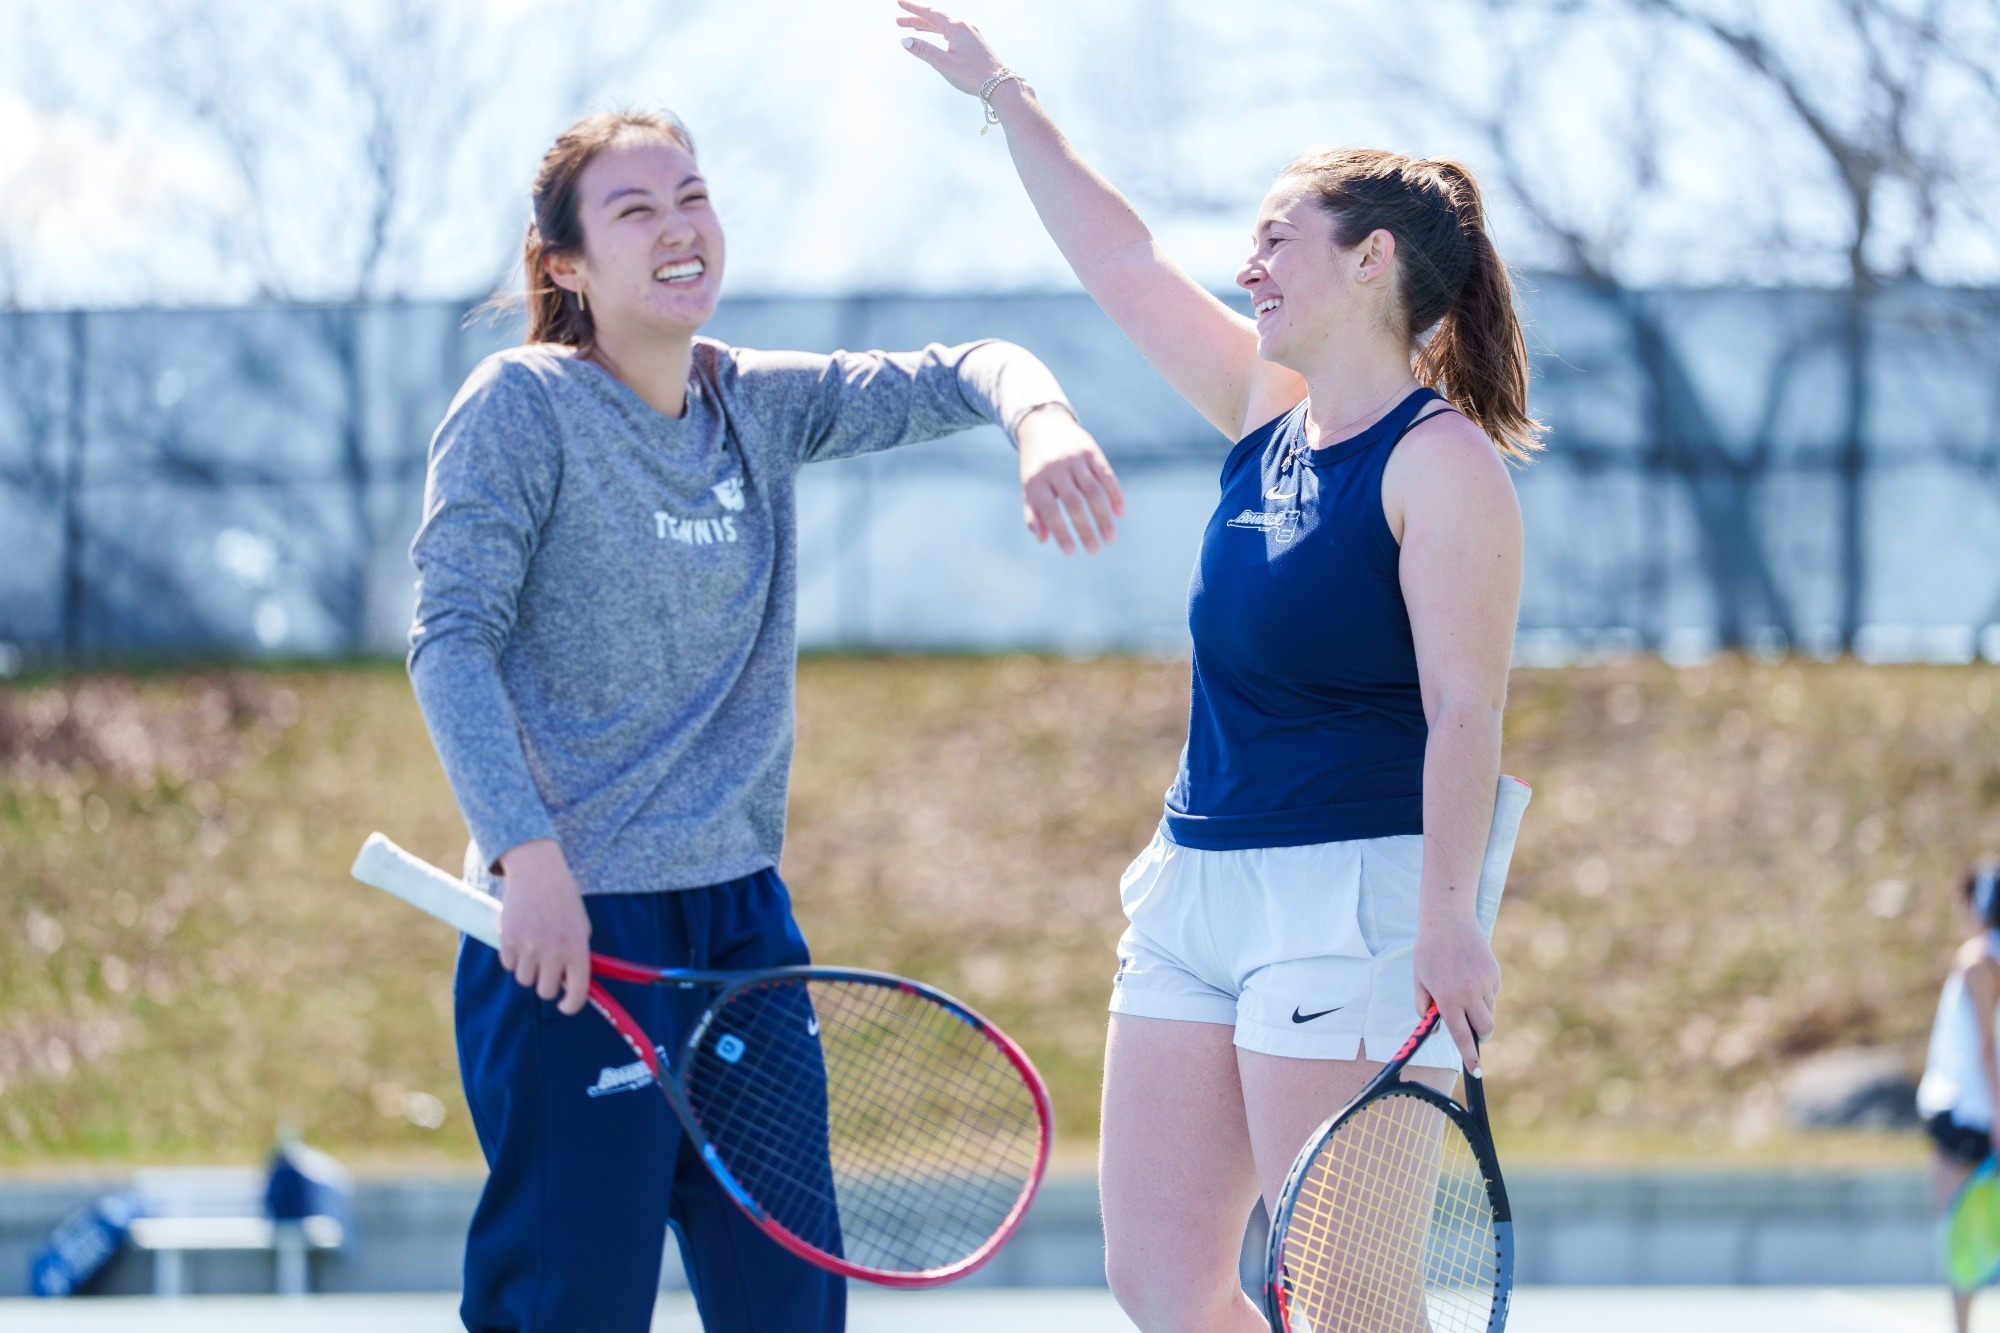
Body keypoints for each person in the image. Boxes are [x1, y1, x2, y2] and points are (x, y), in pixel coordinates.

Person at [407, 108, 1121, 1333]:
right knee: (570, 1306)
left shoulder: (758, 405)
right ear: (564, 265)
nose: (679, 228)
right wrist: (524, 856)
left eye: (692, 196)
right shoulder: (519, 406)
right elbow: (449, 637)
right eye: (634, 211)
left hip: (740, 926)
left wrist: (1039, 420)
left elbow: (975, 364)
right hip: (570, 927)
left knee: (790, 1308)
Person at [898, 9, 1540, 1328]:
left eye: (1273, 239)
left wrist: (1447, 915)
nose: (1247, 264)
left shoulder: (1441, 462)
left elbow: (1466, 708)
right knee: (1167, 1286)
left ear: (1370, 262)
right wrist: (1005, 95)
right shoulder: (1266, 411)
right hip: (1196, 885)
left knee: (1352, 1301)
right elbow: (1120, 255)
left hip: (1350, 899)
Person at [1918, 863, 2000, 1333]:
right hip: (1967, 1113)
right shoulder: (1982, 961)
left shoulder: (1979, 961)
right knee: (1962, 1239)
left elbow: (1988, 1047)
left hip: (1972, 1113)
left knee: (1960, 1236)